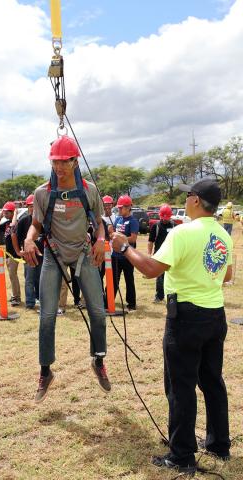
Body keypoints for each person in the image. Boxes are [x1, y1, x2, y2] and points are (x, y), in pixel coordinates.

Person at [112, 178, 232, 475]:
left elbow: (152, 269)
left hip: (186, 317)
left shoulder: (182, 233)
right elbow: (227, 273)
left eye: (188, 196)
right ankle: (219, 444)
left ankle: (182, 455)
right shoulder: (224, 235)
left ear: (194, 200)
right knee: (212, 382)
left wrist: (124, 247)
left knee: (180, 387)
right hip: (215, 315)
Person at [24, 135, 110, 403]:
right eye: (55, 161)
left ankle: (98, 360)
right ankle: (45, 371)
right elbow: (37, 224)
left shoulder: (89, 190)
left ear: (75, 161)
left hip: (84, 252)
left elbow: (99, 222)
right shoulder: (42, 193)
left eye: (64, 162)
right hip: (54, 253)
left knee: (97, 310)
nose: (59, 167)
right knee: (47, 315)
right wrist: (28, 238)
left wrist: (100, 240)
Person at [11, 194, 43, 310]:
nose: (32, 209)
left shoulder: (42, 220)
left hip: (42, 256)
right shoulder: (24, 221)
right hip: (29, 257)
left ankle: (40, 299)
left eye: (34, 206)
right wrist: (18, 251)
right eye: (30, 206)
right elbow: (13, 234)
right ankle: (30, 302)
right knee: (29, 279)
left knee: (41, 279)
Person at [110, 195, 138, 311]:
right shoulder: (117, 219)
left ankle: (131, 304)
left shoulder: (133, 221)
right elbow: (113, 233)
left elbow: (133, 238)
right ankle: (108, 302)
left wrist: (120, 238)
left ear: (128, 208)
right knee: (113, 280)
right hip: (115, 256)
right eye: (119, 208)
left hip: (127, 256)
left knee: (129, 280)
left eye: (121, 208)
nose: (119, 210)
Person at [0, 201, 21, 306]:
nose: (5, 214)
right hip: (7, 254)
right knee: (12, 276)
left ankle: (17, 298)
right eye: (4, 212)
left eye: (7, 213)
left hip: (14, 254)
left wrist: (15, 214)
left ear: (12, 213)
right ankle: (15, 295)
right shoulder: (6, 223)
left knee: (12, 275)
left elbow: (13, 226)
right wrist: (0, 216)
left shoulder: (17, 222)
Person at [148, 204, 175, 303]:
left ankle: (171, 297)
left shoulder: (174, 225)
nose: (164, 220)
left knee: (172, 277)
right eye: (163, 217)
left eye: (166, 218)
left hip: (172, 255)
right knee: (160, 277)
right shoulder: (156, 226)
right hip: (159, 256)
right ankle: (159, 296)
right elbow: (150, 241)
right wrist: (149, 254)